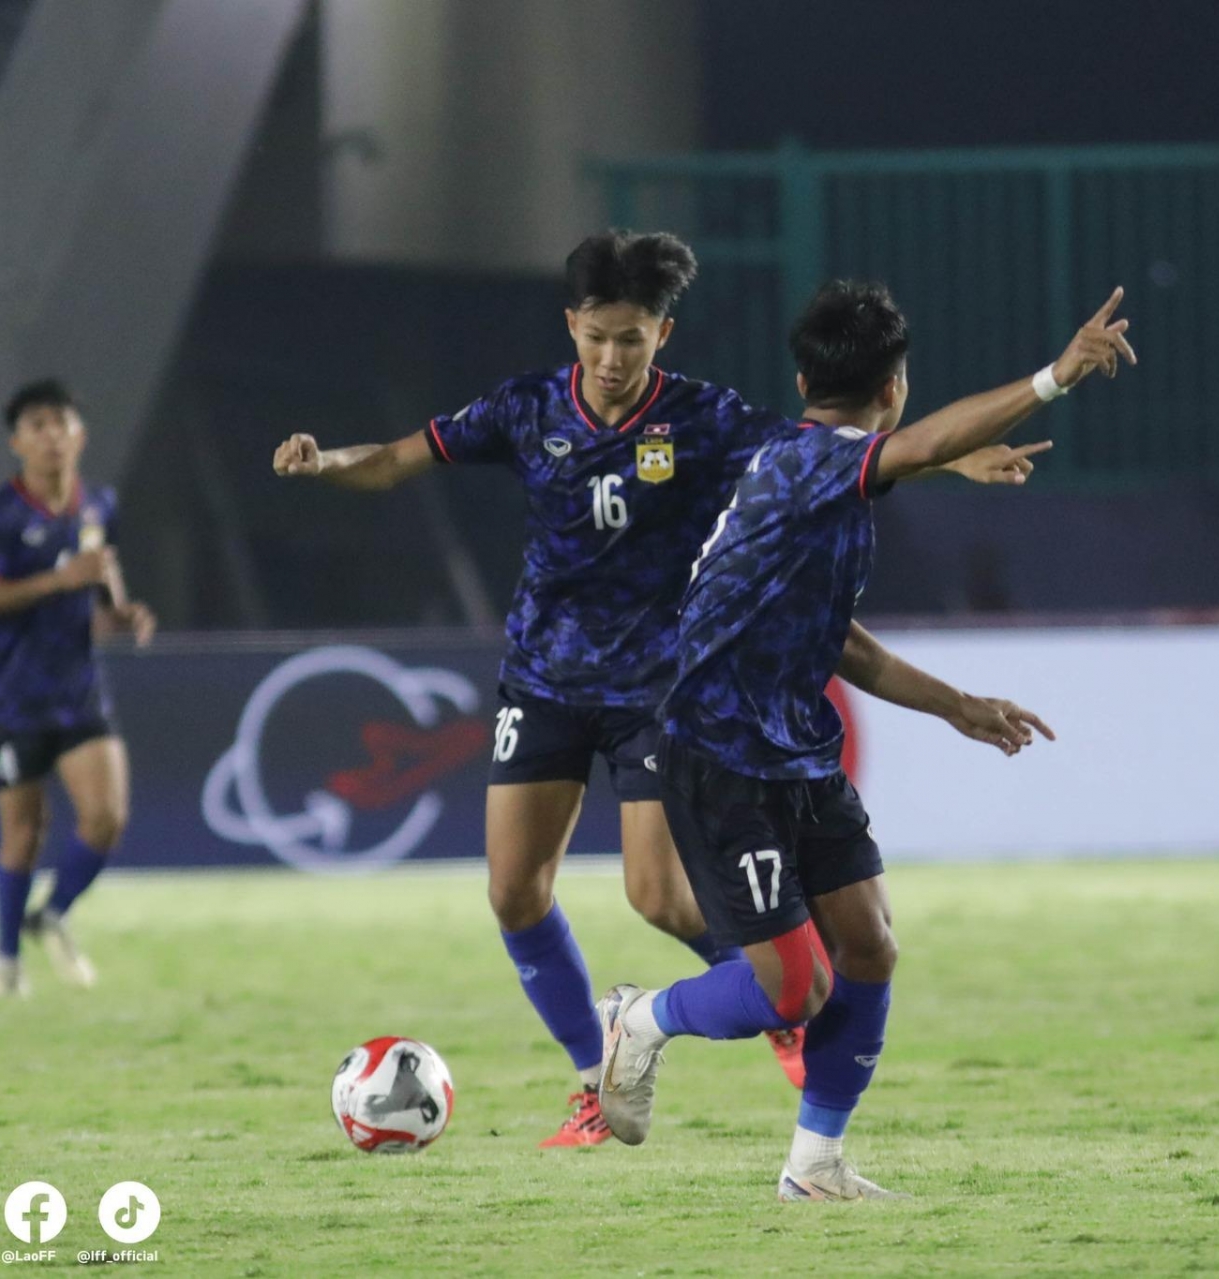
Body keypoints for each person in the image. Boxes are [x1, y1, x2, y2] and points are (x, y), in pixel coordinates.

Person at [272, 231, 1043, 1146]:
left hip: (658, 684)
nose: (610, 359)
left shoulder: (705, 420)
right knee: (514, 893)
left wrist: (943, 456)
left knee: (662, 897)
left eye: (631, 339)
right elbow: (399, 457)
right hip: (544, 676)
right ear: (573, 325)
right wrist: (326, 463)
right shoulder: (525, 409)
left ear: (662, 334)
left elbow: (830, 451)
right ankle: (597, 1081)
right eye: (596, 336)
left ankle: (776, 1004)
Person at [596, 281, 1136, 1200]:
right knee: (793, 990)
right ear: (896, 388)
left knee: (871, 945)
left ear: (806, 375)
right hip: (720, 755)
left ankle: (815, 1166)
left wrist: (955, 703)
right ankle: (640, 1018)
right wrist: (1057, 374)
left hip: (795, 742)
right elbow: (919, 447)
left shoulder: (809, 473)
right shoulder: (814, 466)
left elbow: (840, 640)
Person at [0, 379, 156, 997]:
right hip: (13, 695)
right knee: (24, 832)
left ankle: (53, 914)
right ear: (18, 442)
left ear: (80, 434)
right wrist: (56, 579)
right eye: (36, 425)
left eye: (59, 422)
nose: (50, 435)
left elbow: (94, 585)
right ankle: (6, 960)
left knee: (107, 818)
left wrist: (118, 614)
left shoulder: (97, 504)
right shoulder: (1, 514)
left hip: (78, 689)